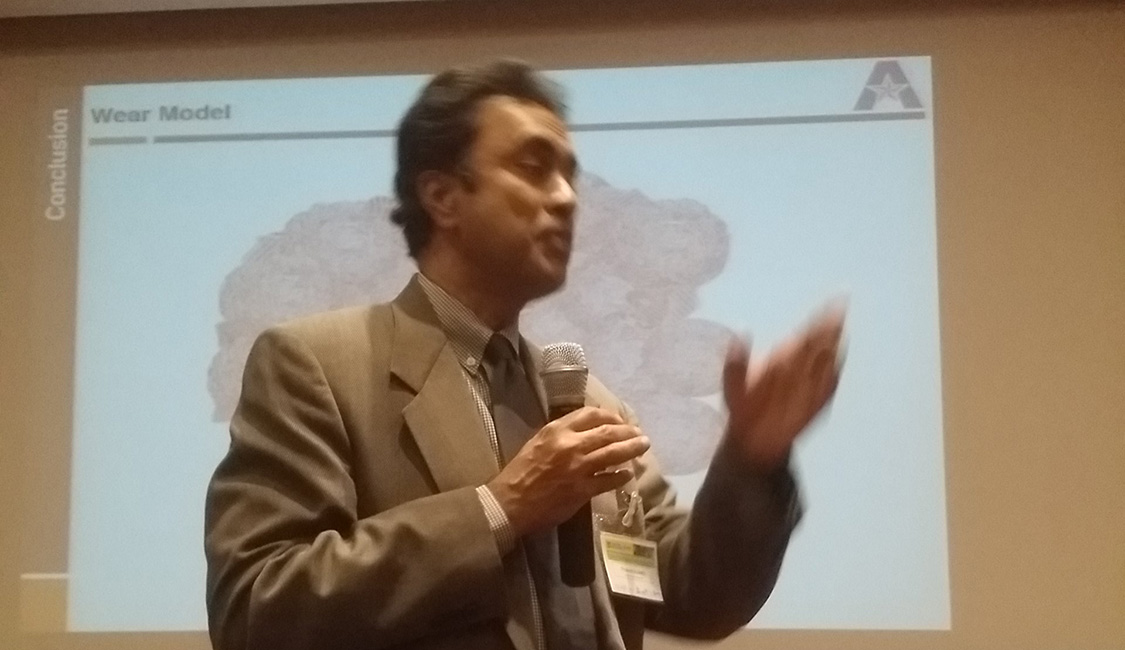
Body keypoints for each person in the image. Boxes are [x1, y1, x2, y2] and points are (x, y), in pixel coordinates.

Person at [204, 59, 845, 650]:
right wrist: (500, 510)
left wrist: (752, 461)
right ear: (442, 196)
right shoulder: (316, 365)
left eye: (569, 175)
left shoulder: (592, 404)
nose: (566, 197)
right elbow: (256, 609)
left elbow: (691, 595)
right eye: (534, 168)